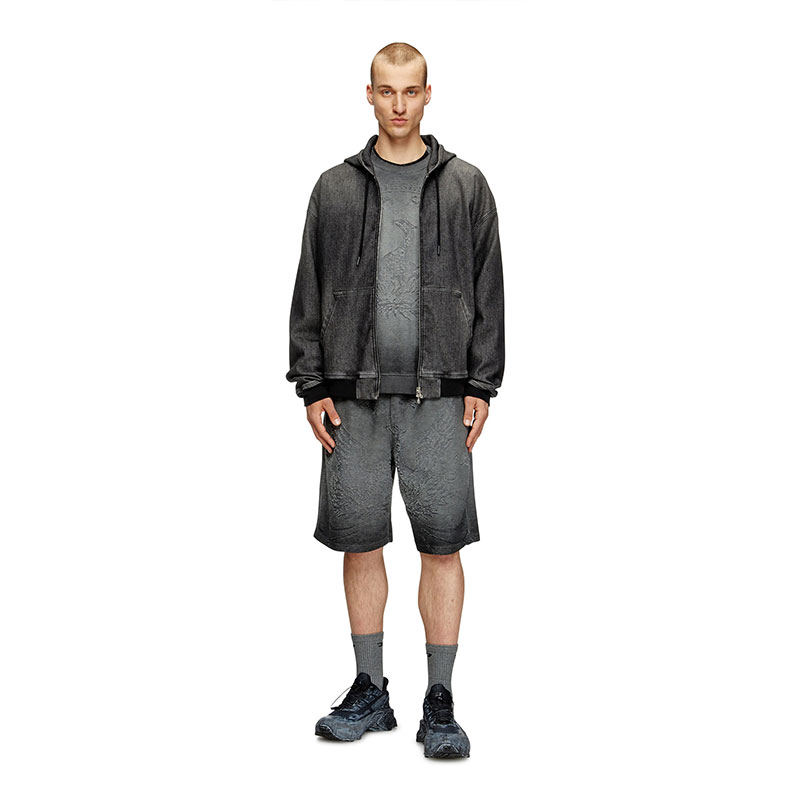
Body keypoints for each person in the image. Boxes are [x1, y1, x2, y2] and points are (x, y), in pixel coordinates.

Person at [286, 42, 505, 759]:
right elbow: (310, 288)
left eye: (411, 91)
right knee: (360, 539)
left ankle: (440, 700)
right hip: (351, 395)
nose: (400, 104)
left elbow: (490, 288)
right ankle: (370, 688)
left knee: (442, 544)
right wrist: (312, 384)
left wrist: (482, 383)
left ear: (429, 94)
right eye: (387, 91)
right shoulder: (334, 189)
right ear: (370, 95)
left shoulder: (467, 185)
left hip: (442, 394)